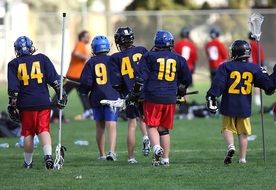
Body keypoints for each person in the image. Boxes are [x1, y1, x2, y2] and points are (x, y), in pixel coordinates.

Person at [206, 40, 275, 165]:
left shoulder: (226, 66)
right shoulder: (254, 68)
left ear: (235, 52)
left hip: (229, 103)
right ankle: (242, 158)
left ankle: (231, 146)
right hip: (244, 105)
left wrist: (212, 96)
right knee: (243, 133)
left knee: (227, 128)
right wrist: (272, 74)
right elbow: (269, 87)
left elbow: (218, 84)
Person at [7, 36, 67, 169]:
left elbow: (13, 91)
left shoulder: (13, 64)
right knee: (44, 130)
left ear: (17, 50)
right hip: (43, 101)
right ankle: (48, 157)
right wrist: (61, 94)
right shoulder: (42, 58)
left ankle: (28, 163)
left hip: (26, 104)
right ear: (30, 47)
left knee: (28, 133)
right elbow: (55, 81)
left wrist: (12, 105)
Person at [136, 30, 192, 166]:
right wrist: (181, 90)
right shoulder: (179, 59)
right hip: (170, 98)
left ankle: (156, 147)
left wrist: (134, 93)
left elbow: (140, 77)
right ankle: (165, 159)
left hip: (153, 96)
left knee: (151, 126)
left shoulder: (149, 56)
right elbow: (187, 80)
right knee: (164, 129)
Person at [110, 26, 150, 164]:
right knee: (146, 120)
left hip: (130, 93)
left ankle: (131, 157)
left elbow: (116, 81)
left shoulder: (115, 57)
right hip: (145, 91)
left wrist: (121, 93)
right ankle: (146, 137)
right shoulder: (142, 50)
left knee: (132, 124)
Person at [79, 36, 119, 161]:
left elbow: (86, 82)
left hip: (96, 96)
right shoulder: (113, 60)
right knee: (111, 125)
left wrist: (84, 90)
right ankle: (111, 152)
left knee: (99, 126)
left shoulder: (91, 62)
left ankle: (101, 154)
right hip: (112, 96)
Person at [51, 30, 92, 122]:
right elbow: (76, 53)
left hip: (77, 76)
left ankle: (88, 111)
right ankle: (53, 108)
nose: (89, 38)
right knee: (63, 93)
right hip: (74, 76)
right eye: (87, 36)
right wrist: (87, 58)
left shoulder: (83, 46)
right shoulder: (80, 44)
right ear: (82, 37)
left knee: (82, 93)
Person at [248, 32, 266, 106]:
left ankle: (249, 100)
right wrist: (262, 67)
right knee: (257, 85)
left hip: (247, 67)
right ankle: (257, 100)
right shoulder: (256, 44)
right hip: (255, 67)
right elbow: (261, 57)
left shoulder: (247, 45)